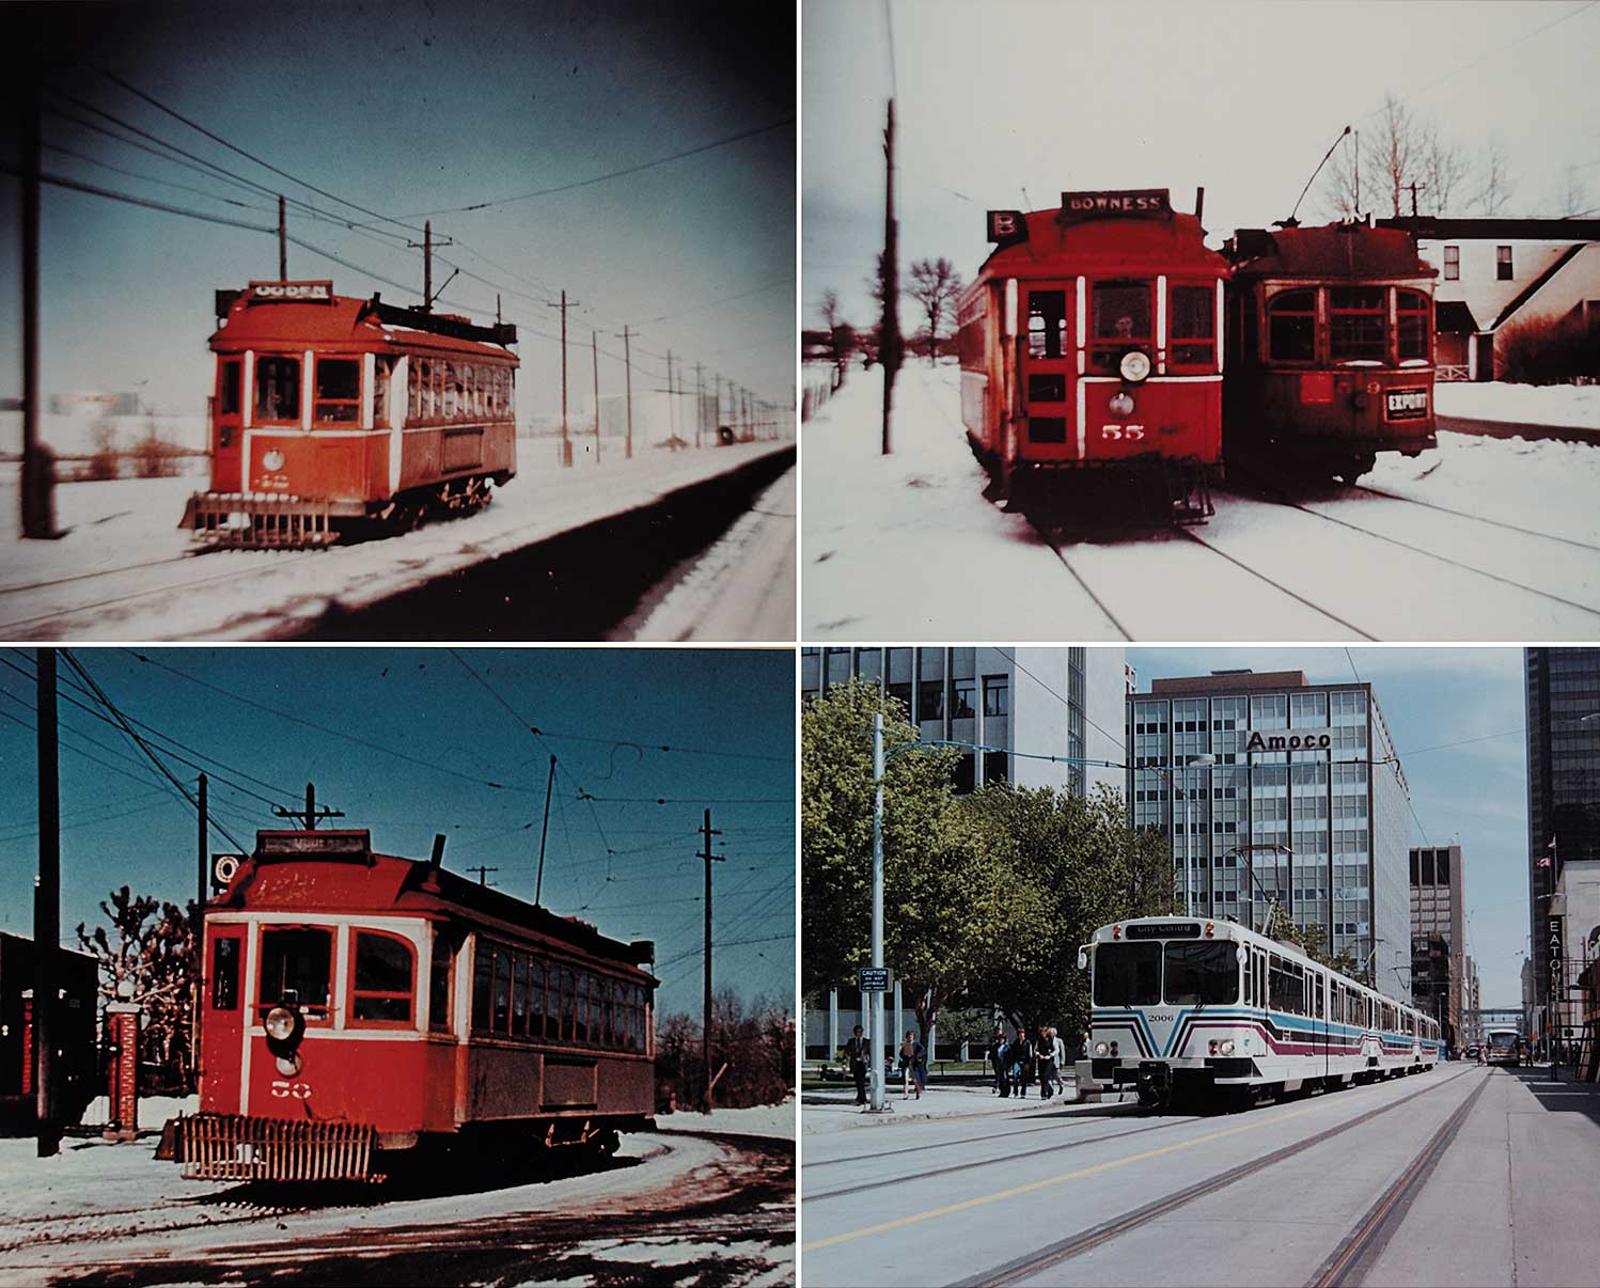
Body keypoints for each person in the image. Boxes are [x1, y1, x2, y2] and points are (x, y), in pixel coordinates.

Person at [843, 1024, 870, 1106]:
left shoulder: (866, 1041)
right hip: (855, 1064)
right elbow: (847, 1052)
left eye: (861, 1032)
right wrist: (844, 1063)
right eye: (858, 1032)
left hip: (863, 1064)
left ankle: (861, 1098)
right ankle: (861, 1097)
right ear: (855, 1033)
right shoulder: (851, 1041)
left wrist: (870, 1063)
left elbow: (870, 1052)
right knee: (858, 1082)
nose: (860, 1033)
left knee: (862, 1081)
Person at [1011, 1025, 1034, 1099]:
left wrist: (1028, 1063)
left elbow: (1030, 1054)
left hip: (1025, 1061)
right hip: (1017, 1061)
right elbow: (1013, 1053)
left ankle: (1023, 1092)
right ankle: (1015, 1092)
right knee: (1015, 1076)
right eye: (1020, 1034)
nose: (1021, 1035)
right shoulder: (1016, 1042)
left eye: (1022, 1033)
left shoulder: (1027, 1043)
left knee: (1024, 1078)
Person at [989, 1025, 1008, 1096]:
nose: (998, 1033)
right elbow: (991, 1048)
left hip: (1002, 1061)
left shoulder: (1003, 1039)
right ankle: (998, 1086)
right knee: (997, 1074)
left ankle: (997, 1087)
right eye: (997, 1032)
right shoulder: (993, 1039)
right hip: (995, 1059)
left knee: (1002, 1075)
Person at [898, 1031, 917, 1099]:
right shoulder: (905, 1044)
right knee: (905, 1078)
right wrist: (905, 1055)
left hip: (913, 1063)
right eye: (909, 1036)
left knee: (915, 1078)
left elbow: (922, 1050)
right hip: (906, 1063)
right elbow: (900, 1054)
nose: (910, 1037)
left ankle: (917, 1090)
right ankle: (906, 1093)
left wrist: (917, 1056)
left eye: (911, 1036)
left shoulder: (916, 1044)